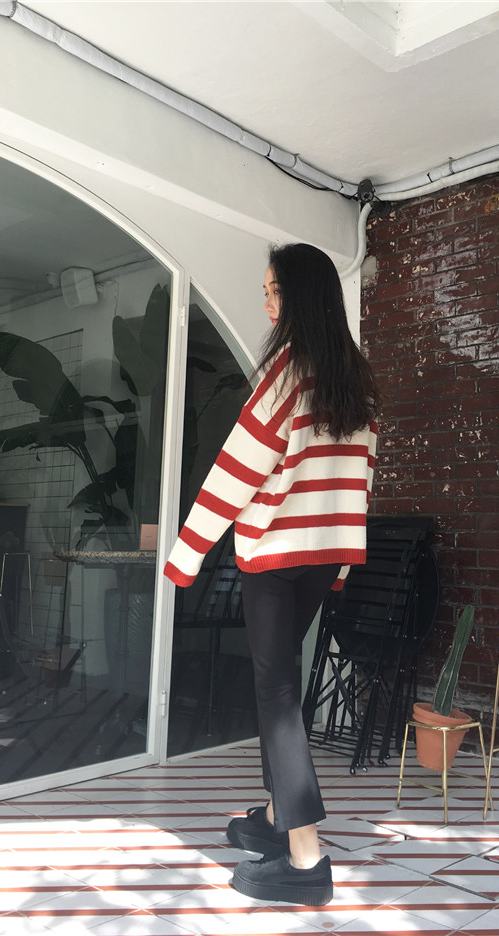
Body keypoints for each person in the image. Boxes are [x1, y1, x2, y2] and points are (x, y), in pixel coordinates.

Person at [164, 243, 379, 907]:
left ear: (301, 297)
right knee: (279, 687)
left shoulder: (287, 374)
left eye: (273, 292)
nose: (266, 304)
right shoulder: (357, 380)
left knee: (277, 694)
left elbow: (236, 471)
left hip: (275, 557)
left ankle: (306, 859)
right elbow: (360, 481)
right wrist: (338, 566)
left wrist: (186, 553)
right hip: (322, 556)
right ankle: (275, 815)